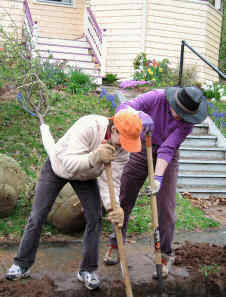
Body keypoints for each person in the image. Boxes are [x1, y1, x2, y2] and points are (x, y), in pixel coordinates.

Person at [5, 109, 143, 290]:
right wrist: (95, 156)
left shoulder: (123, 150)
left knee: (95, 218)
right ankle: (21, 264)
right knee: (38, 215)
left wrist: (114, 206)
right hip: (59, 167)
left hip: (86, 177)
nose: (124, 147)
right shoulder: (89, 126)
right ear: (115, 129)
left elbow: (112, 182)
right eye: (123, 141)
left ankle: (88, 270)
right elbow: (70, 163)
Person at [104, 86, 208, 278]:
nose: (180, 117)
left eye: (185, 115)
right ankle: (116, 243)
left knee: (166, 209)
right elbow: (123, 107)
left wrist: (158, 177)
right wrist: (137, 115)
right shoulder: (156, 97)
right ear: (174, 101)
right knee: (124, 199)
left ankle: (164, 254)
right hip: (140, 148)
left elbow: (168, 148)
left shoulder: (188, 122)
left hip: (167, 157)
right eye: (179, 111)